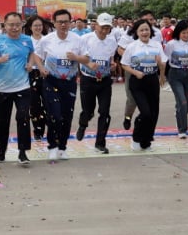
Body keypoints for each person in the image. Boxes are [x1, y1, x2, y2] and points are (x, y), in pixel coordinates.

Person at [0, 11, 44, 166]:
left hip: (22, 87)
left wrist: (30, 64)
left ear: (22, 25)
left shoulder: (26, 40)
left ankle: (23, 152)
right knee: (2, 120)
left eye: (18, 24)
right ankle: (2, 148)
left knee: (23, 117)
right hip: (3, 88)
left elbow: (32, 53)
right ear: (5, 25)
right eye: (11, 25)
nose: (15, 28)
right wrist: (0, 59)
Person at [36, 9, 88, 161]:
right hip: (51, 81)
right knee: (54, 116)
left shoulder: (78, 40)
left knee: (66, 115)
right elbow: (37, 56)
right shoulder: (47, 40)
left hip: (69, 82)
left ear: (70, 22)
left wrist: (76, 57)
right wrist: (41, 68)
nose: (63, 25)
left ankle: (62, 147)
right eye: (60, 22)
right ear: (54, 23)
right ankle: (52, 146)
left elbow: (86, 58)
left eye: (66, 21)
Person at [75, 12, 120, 153]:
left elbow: (111, 59)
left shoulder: (112, 41)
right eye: (103, 27)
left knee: (105, 112)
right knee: (88, 111)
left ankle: (100, 143)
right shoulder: (85, 39)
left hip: (105, 80)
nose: (105, 30)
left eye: (108, 27)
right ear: (96, 26)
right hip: (88, 79)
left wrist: (113, 65)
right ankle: (83, 124)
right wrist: (88, 64)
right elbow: (79, 58)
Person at [120, 19, 167, 151]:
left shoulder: (156, 45)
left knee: (153, 113)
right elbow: (124, 64)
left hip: (152, 81)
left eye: (147, 29)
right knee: (145, 113)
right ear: (137, 32)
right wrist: (135, 72)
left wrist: (161, 72)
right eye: (141, 30)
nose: (144, 32)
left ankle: (146, 141)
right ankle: (136, 137)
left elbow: (163, 64)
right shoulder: (132, 47)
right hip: (137, 82)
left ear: (150, 31)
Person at [24, 15, 50, 140]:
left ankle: (48, 126)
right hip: (31, 74)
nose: (38, 28)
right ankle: (38, 130)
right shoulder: (26, 40)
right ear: (30, 27)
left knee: (48, 102)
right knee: (34, 104)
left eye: (40, 25)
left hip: (46, 74)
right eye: (35, 25)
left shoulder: (47, 39)